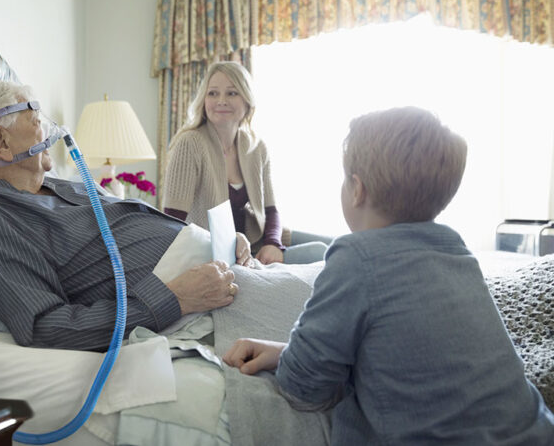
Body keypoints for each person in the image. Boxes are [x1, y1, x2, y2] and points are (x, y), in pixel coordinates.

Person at [222, 107, 554, 444]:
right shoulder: (456, 249)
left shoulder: (353, 258)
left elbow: (304, 386)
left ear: (356, 189)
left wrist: (293, 362)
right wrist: (286, 351)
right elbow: (404, 346)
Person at [0, 80, 253, 351]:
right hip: (207, 308)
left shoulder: (64, 187)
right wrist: (175, 298)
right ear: (2, 142)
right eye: (36, 120)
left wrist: (223, 242)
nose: (51, 130)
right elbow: (48, 327)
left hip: (227, 275)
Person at [161, 61, 328, 265]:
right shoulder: (190, 143)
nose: (221, 100)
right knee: (320, 254)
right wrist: (230, 244)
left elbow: (270, 210)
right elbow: (172, 223)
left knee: (335, 245)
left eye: (232, 93)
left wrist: (273, 244)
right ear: (204, 100)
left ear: (248, 101)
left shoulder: (257, 147)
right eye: (213, 93)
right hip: (218, 250)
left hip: (256, 240)